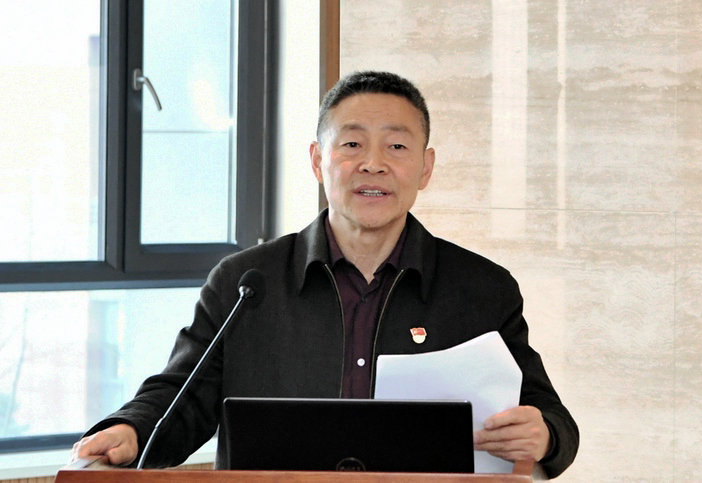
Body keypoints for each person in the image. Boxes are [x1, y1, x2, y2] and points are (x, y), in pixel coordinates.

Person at [71, 71, 578, 477]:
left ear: (425, 168)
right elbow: (181, 397)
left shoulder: (482, 289)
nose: (373, 164)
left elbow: (552, 419)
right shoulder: (246, 283)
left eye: (396, 147)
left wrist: (545, 435)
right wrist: (130, 429)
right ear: (318, 160)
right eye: (351, 145)